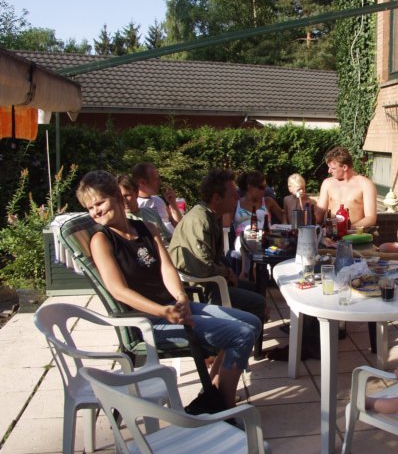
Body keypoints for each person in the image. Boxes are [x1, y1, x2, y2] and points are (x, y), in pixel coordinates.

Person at [75, 170, 261, 409]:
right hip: (147, 322)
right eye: (90, 208)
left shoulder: (146, 228)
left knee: (252, 322)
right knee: (241, 334)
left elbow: (167, 269)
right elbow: (118, 290)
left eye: (100, 203)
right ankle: (223, 407)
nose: (96, 211)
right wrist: (163, 312)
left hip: (174, 308)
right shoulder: (102, 240)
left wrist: (181, 296)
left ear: (117, 197)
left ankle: (212, 396)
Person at [169, 169, 268, 328]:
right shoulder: (200, 221)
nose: (237, 197)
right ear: (216, 198)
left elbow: (216, 256)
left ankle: (246, 330)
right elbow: (203, 268)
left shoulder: (213, 216)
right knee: (258, 302)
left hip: (212, 282)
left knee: (257, 289)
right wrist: (227, 273)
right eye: (232, 195)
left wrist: (228, 272)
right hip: (200, 289)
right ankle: (240, 335)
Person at [233, 170, 284, 279]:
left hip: (265, 239)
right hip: (242, 241)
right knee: (247, 233)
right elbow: (225, 224)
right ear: (250, 187)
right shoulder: (236, 203)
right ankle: (249, 270)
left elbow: (283, 217)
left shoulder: (268, 201)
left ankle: (246, 272)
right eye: (261, 187)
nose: (264, 190)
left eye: (265, 187)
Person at [314, 147, 377, 229]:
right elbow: (319, 213)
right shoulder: (327, 183)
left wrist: (348, 228)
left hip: (354, 233)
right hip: (330, 232)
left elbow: (371, 218)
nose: (329, 171)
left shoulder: (365, 184)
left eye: (333, 168)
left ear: (344, 167)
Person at [116, 174, 172, 245]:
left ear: (136, 193)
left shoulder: (151, 212)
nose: (124, 200)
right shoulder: (121, 221)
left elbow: (169, 237)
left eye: (127, 195)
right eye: (119, 197)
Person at [131, 162, 182, 235]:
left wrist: (173, 204)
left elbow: (179, 225)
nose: (159, 182)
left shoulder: (158, 199)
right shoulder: (135, 205)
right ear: (142, 183)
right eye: (156, 180)